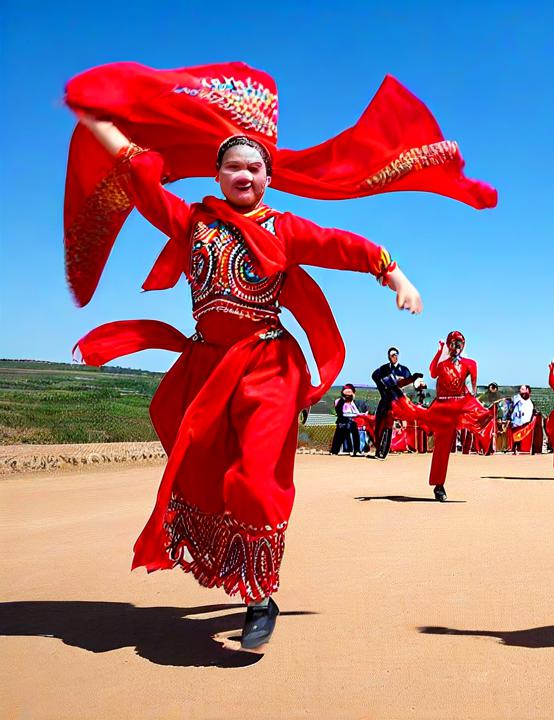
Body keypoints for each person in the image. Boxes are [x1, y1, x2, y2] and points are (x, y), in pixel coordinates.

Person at [70, 117, 424, 650]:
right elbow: (141, 179)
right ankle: (232, 565)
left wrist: (394, 275)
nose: (243, 174)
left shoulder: (284, 228)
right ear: (217, 175)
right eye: (233, 166)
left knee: (256, 479)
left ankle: (260, 594)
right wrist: (97, 122)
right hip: (210, 366)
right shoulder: (192, 222)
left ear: (268, 177)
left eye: (253, 167)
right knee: (206, 468)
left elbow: (341, 245)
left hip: (267, 364)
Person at [393, 332, 490, 500]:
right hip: (444, 408)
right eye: (452, 343)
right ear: (448, 345)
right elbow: (431, 372)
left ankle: (485, 445)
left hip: (461, 405)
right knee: (442, 447)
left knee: (486, 417)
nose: (456, 347)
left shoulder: (470, 364)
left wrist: (472, 403)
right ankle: (439, 485)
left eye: (459, 343)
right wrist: (439, 352)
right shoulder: (442, 365)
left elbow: (472, 388)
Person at [372, 347, 423, 459]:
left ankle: (383, 450)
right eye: (391, 355)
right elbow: (375, 376)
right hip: (386, 399)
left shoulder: (404, 370)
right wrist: (382, 385)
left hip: (398, 401)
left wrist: (414, 379)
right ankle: (378, 448)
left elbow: (407, 385)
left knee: (389, 424)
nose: (394, 357)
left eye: (395, 354)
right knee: (379, 424)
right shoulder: (384, 369)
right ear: (388, 357)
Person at [329, 384, 362, 457]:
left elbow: (356, 413)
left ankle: (355, 450)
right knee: (340, 434)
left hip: (349, 421)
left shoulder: (352, 403)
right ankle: (335, 450)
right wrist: (343, 400)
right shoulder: (339, 401)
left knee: (353, 432)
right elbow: (339, 410)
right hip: (343, 421)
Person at [508, 385, 537, 453]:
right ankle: (514, 448)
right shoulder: (516, 398)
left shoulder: (530, 402)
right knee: (515, 435)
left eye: (523, 389)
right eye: (521, 389)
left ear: (527, 390)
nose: (521, 390)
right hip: (516, 421)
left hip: (525, 422)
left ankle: (521, 449)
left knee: (522, 436)